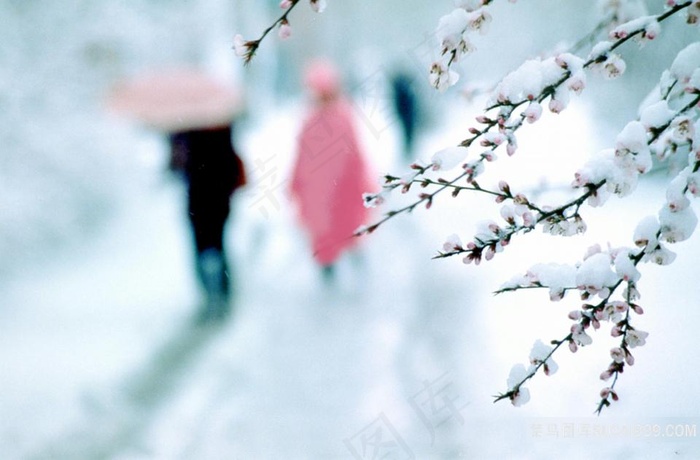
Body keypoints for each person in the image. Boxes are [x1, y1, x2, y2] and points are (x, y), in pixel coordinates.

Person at [289, 59, 374, 283]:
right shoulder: (317, 120)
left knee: (340, 231)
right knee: (331, 235)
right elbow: (303, 157)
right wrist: (296, 182)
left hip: (339, 190)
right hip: (324, 192)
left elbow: (354, 156)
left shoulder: (339, 117)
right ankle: (334, 275)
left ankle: (348, 275)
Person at [168, 125, 246, 322]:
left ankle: (209, 294)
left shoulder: (184, 129)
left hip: (198, 200)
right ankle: (222, 292)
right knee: (218, 245)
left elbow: (174, 166)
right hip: (218, 199)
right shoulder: (221, 123)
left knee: (202, 247)